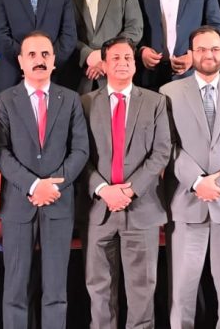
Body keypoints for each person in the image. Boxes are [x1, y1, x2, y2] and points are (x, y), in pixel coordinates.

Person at [160, 25, 220, 329]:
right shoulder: (168, 93)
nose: (208, 55)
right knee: (182, 289)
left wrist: (218, 183)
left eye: (214, 49)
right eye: (201, 49)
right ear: (191, 53)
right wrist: (197, 182)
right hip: (186, 202)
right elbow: (168, 145)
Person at [0, 31, 89, 329]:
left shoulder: (70, 99)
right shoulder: (5, 100)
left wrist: (54, 186)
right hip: (19, 204)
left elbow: (80, 150)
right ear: (21, 61)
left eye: (45, 54)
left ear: (54, 60)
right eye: (32, 55)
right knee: (15, 290)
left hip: (58, 203)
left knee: (56, 290)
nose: (39, 60)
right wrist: (35, 185)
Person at [78, 37, 169, 328]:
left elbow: (162, 152)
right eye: (115, 58)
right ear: (103, 65)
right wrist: (103, 189)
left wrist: (129, 190)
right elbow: (79, 154)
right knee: (99, 289)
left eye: (128, 58)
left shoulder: (155, 102)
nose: (123, 63)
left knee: (142, 290)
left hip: (141, 207)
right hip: (98, 209)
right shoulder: (85, 103)